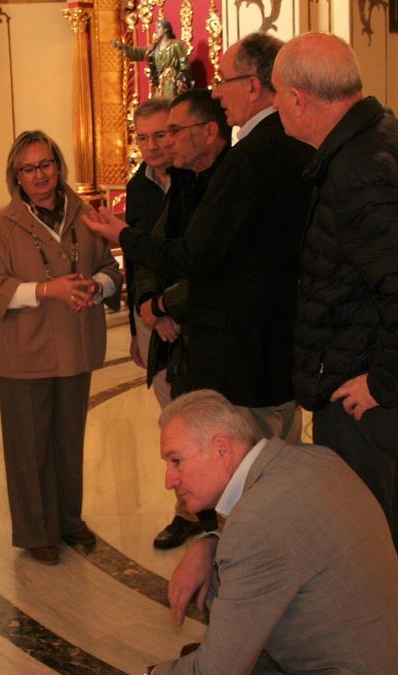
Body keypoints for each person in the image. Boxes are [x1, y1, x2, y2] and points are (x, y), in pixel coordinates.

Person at [273, 32, 398, 613]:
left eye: (276, 94)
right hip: (382, 378)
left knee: (365, 539)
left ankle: (385, 654)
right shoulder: (392, 135)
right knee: (382, 524)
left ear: (299, 99)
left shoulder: (358, 169)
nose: (276, 106)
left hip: (364, 391)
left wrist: (382, 383)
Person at [85, 33, 311, 445]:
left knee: (246, 478)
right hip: (278, 346)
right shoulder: (297, 145)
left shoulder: (249, 158)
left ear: (254, 86)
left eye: (224, 80)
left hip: (242, 356)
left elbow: (201, 254)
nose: (218, 91)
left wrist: (125, 238)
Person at [147, 391, 398, 674]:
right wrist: (208, 544)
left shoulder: (255, 525)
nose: (169, 481)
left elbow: (215, 672)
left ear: (221, 448)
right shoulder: (314, 458)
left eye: (176, 461)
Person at [0, 130, 121, 565]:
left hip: (75, 346)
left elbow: (110, 269)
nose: (39, 175)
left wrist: (92, 289)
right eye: (29, 168)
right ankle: (36, 530)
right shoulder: (4, 226)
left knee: (67, 440)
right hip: (27, 350)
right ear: (16, 177)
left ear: (58, 167)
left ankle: (67, 520)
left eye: (46, 165)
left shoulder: (83, 215)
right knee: (29, 444)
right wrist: (46, 289)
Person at [134, 89, 232, 550]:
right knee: (176, 421)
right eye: (150, 137)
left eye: (168, 132)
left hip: (202, 326)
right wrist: (150, 306)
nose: (159, 144)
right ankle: (191, 512)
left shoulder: (210, 181)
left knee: (211, 431)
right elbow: (146, 254)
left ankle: (209, 517)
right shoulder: (141, 188)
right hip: (163, 325)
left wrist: (168, 307)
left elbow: (207, 262)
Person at [124, 98, 172, 378]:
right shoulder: (137, 188)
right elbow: (134, 258)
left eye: (160, 135)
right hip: (147, 311)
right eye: (143, 137)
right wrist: (135, 328)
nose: (151, 146)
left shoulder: (196, 179)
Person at [112, 19, 192, 99]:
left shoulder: (176, 44)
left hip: (172, 82)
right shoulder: (154, 48)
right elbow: (138, 53)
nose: (156, 30)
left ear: (165, 30)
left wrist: (181, 79)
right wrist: (124, 47)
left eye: (158, 27)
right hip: (160, 83)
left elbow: (184, 64)